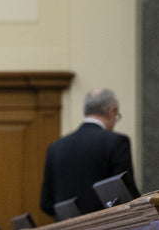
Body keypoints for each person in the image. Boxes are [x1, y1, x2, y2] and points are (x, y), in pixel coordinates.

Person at [39, 87, 137, 218]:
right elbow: (126, 197)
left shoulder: (55, 148)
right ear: (111, 110)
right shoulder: (117, 142)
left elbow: (46, 203)